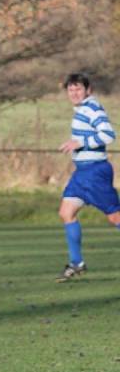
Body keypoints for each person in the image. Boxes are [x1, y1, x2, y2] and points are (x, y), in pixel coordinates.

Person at [57, 72, 120, 282]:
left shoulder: (92, 108)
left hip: (95, 172)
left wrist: (79, 143)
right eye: (71, 89)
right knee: (66, 212)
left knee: (115, 218)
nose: (74, 93)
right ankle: (77, 263)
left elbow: (108, 134)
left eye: (78, 89)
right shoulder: (81, 110)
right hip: (82, 174)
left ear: (88, 90)